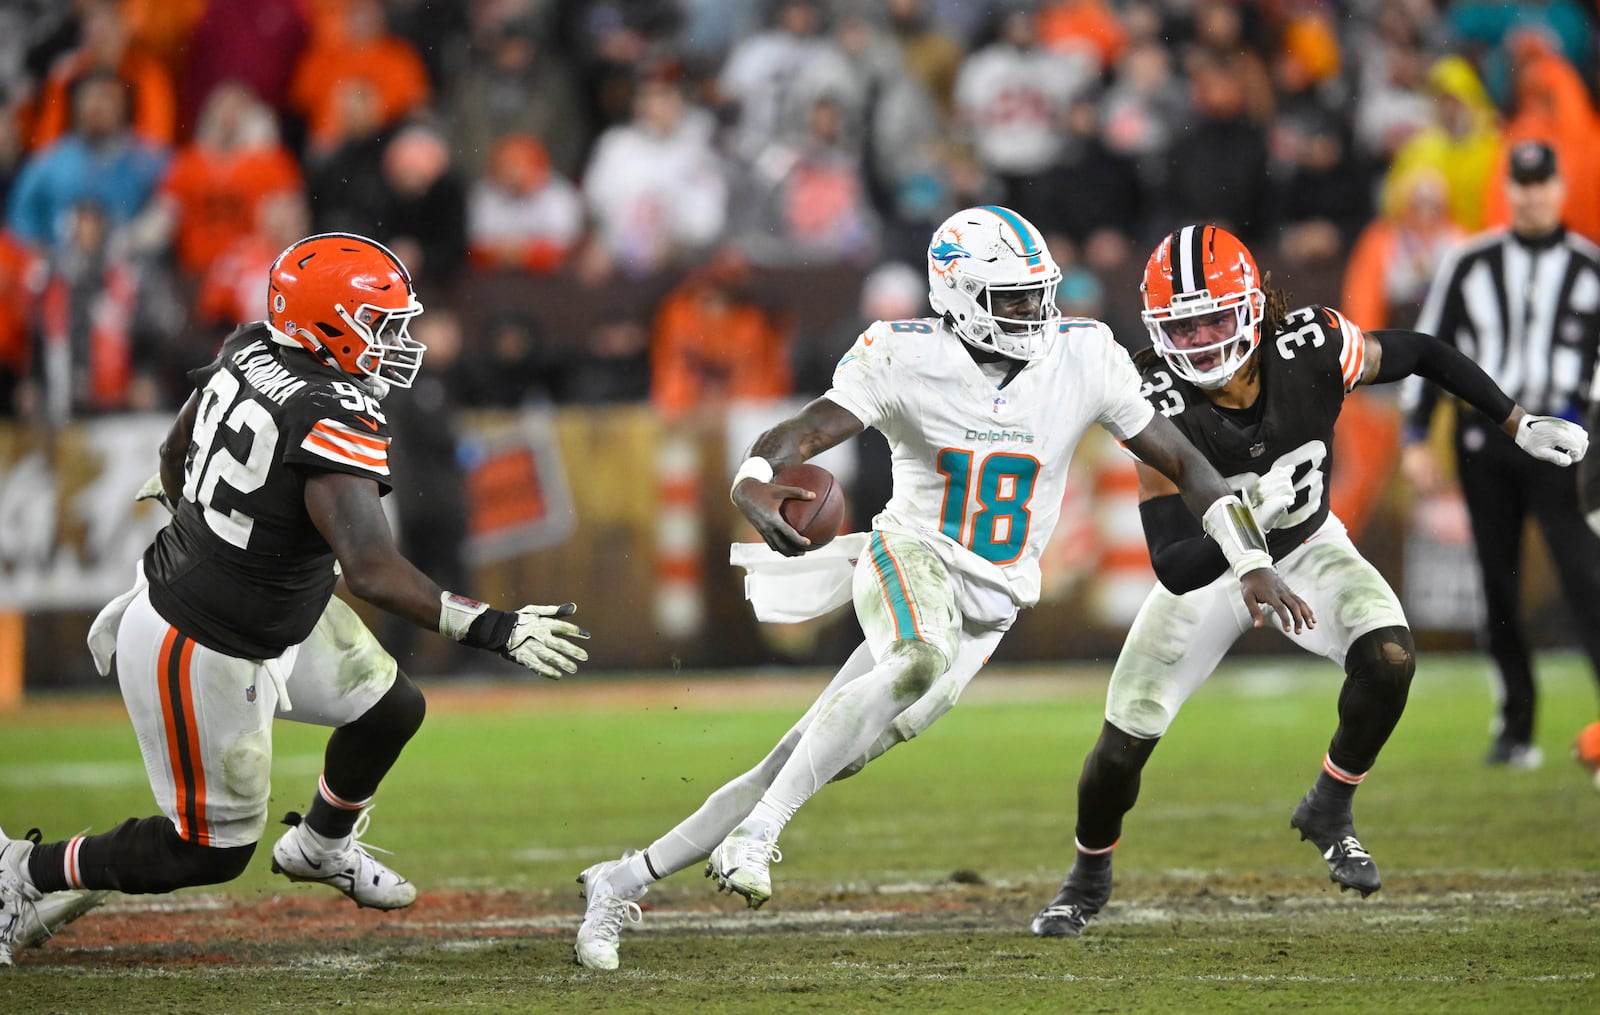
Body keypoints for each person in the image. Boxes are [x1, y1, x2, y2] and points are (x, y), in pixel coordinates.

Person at [571, 205, 1315, 971]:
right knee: (916, 656)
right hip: (910, 554)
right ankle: (759, 835)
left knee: (804, 755)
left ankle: (621, 878)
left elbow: (1188, 463)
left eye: (1039, 292)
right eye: (1014, 298)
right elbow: (806, 430)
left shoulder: (1084, 355)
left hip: (989, 612)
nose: (1036, 312)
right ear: (958, 296)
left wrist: (1249, 556)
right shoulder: (902, 355)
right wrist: (755, 475)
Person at [0, 233, 591, 966]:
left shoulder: (251, 348)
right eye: (382, 326)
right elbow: (372, 569)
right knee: (207, 852)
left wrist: (196, 507)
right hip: (204, 638)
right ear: (330, 325)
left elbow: (176, 444)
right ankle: (21, 873)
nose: (399, 343)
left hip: (276, 606)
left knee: (392, 708)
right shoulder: (333, 408)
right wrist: (495, 627)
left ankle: (321, 843)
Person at [1029, 223, 1588, 940]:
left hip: (1306, 547)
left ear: (1254, 307)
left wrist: (1513, 420)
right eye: (1182, 325)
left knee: (1389, 657)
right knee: (1120, 745)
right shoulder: (1151, 395)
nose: (1199, 341)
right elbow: (1173, 561)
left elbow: (1422, 352)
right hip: (1210, 574)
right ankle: (1087, 874)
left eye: (1213, 319)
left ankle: (1330, 802)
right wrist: (1245, 524)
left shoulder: (1312, 344)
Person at [1401, 140, 1600, 769]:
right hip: (1488, 438)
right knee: (1497, 584)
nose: (1532, 194)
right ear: (1507, 189)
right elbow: (1430, 349)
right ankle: (1516, 726)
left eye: (1542, 182)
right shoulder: (1469, 261)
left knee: (1587, 579)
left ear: (1558, 187)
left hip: (1566, 442)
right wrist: (1415, 433)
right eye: (1522, 182)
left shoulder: (1591, 266)